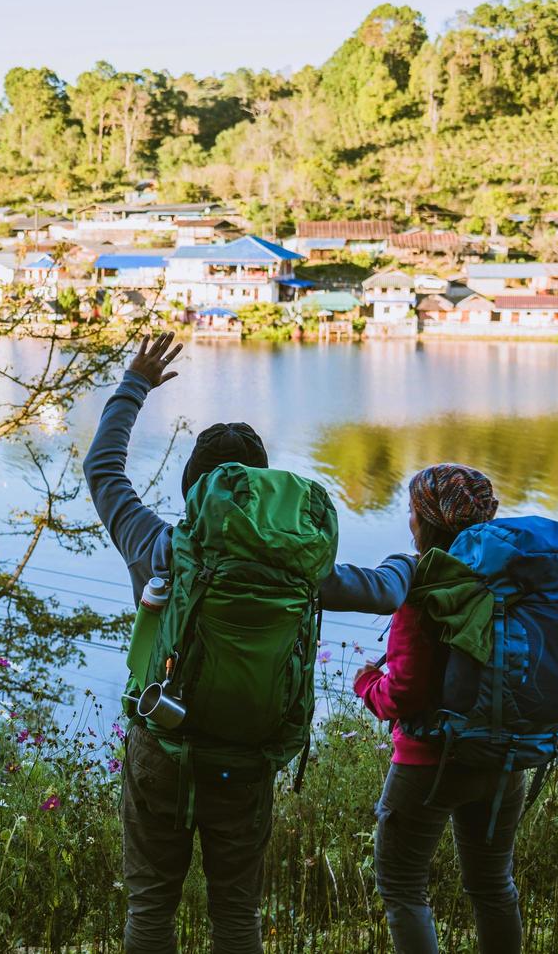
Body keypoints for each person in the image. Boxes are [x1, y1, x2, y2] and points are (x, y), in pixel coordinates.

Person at [84, 333, 416, 954]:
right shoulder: (299, 569)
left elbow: (102, 468)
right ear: (260, 490)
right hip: (248, 756)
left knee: (151, 904)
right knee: (236, 911)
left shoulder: (158, 546)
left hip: (164, 746)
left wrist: (135, 385)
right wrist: (416, 556)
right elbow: (384, 589)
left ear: (193, 489)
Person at [353, 464, 517, 954]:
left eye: (411, 511)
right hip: (504, 757)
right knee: (493, 886)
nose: (408, 521)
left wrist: (366, 684)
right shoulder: (510, 577)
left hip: (429, 762)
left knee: (403, 886)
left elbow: (404, 693)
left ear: (425, 521)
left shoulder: (425, 585)